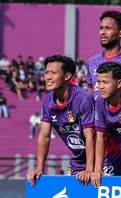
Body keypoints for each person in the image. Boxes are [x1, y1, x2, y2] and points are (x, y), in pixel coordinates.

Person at [27, 55, 95, 187]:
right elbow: (45, 136)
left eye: (53, 73)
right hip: (78, 160)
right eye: (46, 72)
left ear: (67, 76)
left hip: (101, 159)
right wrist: (39, 169)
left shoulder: (83, 99)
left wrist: (89, 169)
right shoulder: (47, 101)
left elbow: (91, 136)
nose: (48, 77)